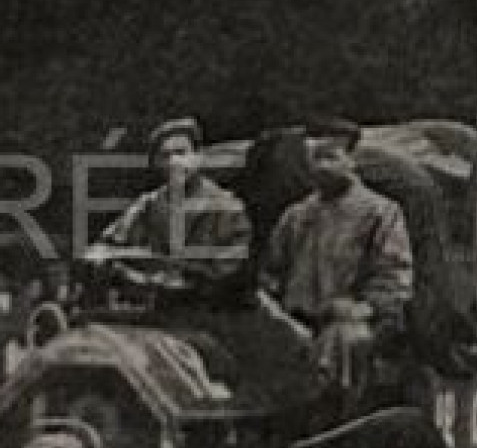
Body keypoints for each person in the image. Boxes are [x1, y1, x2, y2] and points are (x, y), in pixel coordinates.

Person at [260, 118, 413, 391]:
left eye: (329, 157)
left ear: (351, 159)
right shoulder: (296, 216)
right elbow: (271, 274)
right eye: (312, 159)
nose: (320, 167)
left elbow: (393, 276)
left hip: (355, 323)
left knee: (346, 341)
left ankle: (335, 416)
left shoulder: (380, 212)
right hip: (294, 322)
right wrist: (274, 310)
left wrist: (365, 308)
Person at [101, 116, 251, 296]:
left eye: (181, 153)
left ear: (197, 157)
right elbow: (108, 246)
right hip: (151, 302)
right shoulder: (147, 205)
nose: (174, 162)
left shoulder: (228, 209)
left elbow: (230, 272)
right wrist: (129, 272)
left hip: (207, 307)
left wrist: (181, 278)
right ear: (156, 163)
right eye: (165, 156)